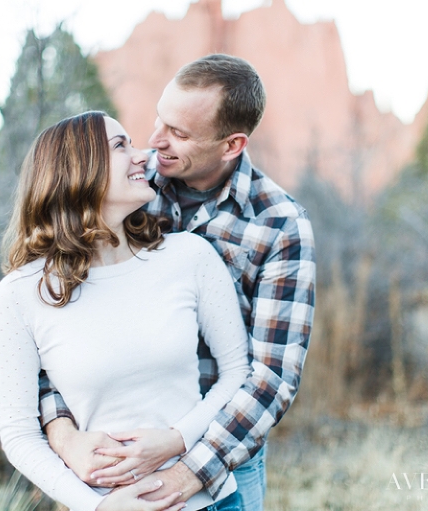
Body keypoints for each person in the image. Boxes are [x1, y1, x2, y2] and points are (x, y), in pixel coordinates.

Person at [40, 54, 316, 511]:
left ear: (231, 145)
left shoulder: (279, 225)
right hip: (111, 457)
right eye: (159, 119)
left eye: (180, 134)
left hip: (222, 457)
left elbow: (272, 376)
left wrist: (188, 472)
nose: (154, 142)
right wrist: (66, 437)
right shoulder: (122, 188)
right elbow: (51, 330)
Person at [0, 111, 252, 511]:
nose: (142, 156)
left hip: (209, 502)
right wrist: (96, 506)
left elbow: (238, 373)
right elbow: (18, 433)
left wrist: (180, 437)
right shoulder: (21, 295)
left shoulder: (188, 256)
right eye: (120, 146)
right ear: (78, 170)